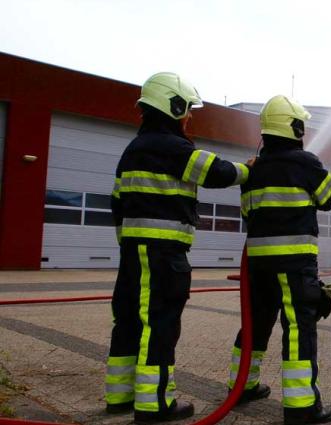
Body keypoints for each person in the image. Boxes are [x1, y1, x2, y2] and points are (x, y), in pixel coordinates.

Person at [106, 72, 251, 422]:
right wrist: (247, 170)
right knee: (159, 323)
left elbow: (116, 204)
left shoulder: (133, 151)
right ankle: (155, 404)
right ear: (173, 106)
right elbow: (215, 172)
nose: (190, 117)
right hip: (162, 254)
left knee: (128, 322)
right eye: (187, 110)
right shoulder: (170, 147)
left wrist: (130, 243)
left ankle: (120, 394)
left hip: (134, 252)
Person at [226, 95, 331, 424]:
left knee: (255, 322)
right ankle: (302, 405)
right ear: (295, 127)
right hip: (294, 263)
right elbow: (330, 198)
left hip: (259, 263)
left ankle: (242, 384)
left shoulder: (252, 170)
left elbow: (249, 212)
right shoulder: (306, 163)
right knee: (298, 328)